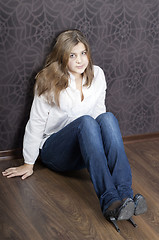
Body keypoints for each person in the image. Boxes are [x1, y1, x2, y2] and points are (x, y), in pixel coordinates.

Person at [2, 29, 147, 232]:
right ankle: (110, 202)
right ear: (62, 57)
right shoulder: (47, 80)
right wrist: (28, 162)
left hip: (84, 149)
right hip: (55, 150)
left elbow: (100, 116)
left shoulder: (97, 75)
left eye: (83, 53)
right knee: (86, 122)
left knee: (107, 117)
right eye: (72, 55)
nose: (80, 60)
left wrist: (105, 151)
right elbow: (35, 122)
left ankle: (125, 195)